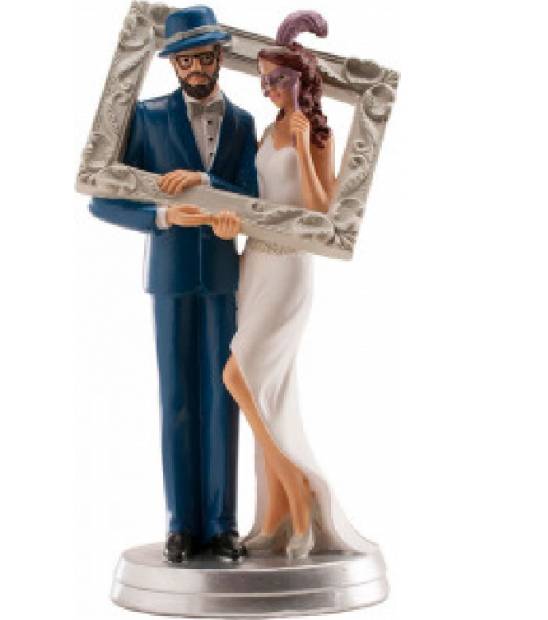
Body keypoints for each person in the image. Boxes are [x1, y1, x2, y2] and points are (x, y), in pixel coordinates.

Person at [197, 10, 377, 560]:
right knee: (266, 390)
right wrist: (225, 220)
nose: (271, 89)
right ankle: (275, 515)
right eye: (265, 80)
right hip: (255, 264)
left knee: (239, 377)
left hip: (291, 269)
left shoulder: (317, 134)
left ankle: (302, 500)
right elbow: (256, 201)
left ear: (303, 81)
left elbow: (324, 212)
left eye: (280, 79)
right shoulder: (263, 129)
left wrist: (302, 147)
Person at [89, 6, 258, 563]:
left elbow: (254, 199)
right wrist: (162, 216)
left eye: (203, 58)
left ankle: (223, 524)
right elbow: (104, 199)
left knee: (224, 396)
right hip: (170, 274)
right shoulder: (147, 117)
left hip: (223, 275)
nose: (195, 69)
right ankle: (182, 525)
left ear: (220, 57)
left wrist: (214, 191)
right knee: (177, 399)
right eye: (184, 61)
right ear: (172, 64)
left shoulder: (242, 124)